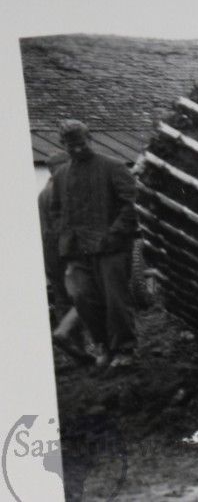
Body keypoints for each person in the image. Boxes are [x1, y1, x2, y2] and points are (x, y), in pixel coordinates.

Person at [50, 120, 138, 369]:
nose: (77, 150)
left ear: (91, 139)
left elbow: (131, 203)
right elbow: (56, 210)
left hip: (111, 247)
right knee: (82, 297)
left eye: (81, 143)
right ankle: (103, 346)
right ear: (63, 146)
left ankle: (125, 349)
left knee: (115, 299)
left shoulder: (113, 166)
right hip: (76, 249)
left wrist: (114, 234)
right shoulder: (61, 174)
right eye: (71, 146)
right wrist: (65, 233)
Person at [39, 152, 92, 363]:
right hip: (67, 250)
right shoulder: (64, 190)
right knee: (88, 293)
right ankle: (66, 333)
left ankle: (77, 350)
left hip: (49, 252)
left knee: (62, 298)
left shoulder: (42, 193)